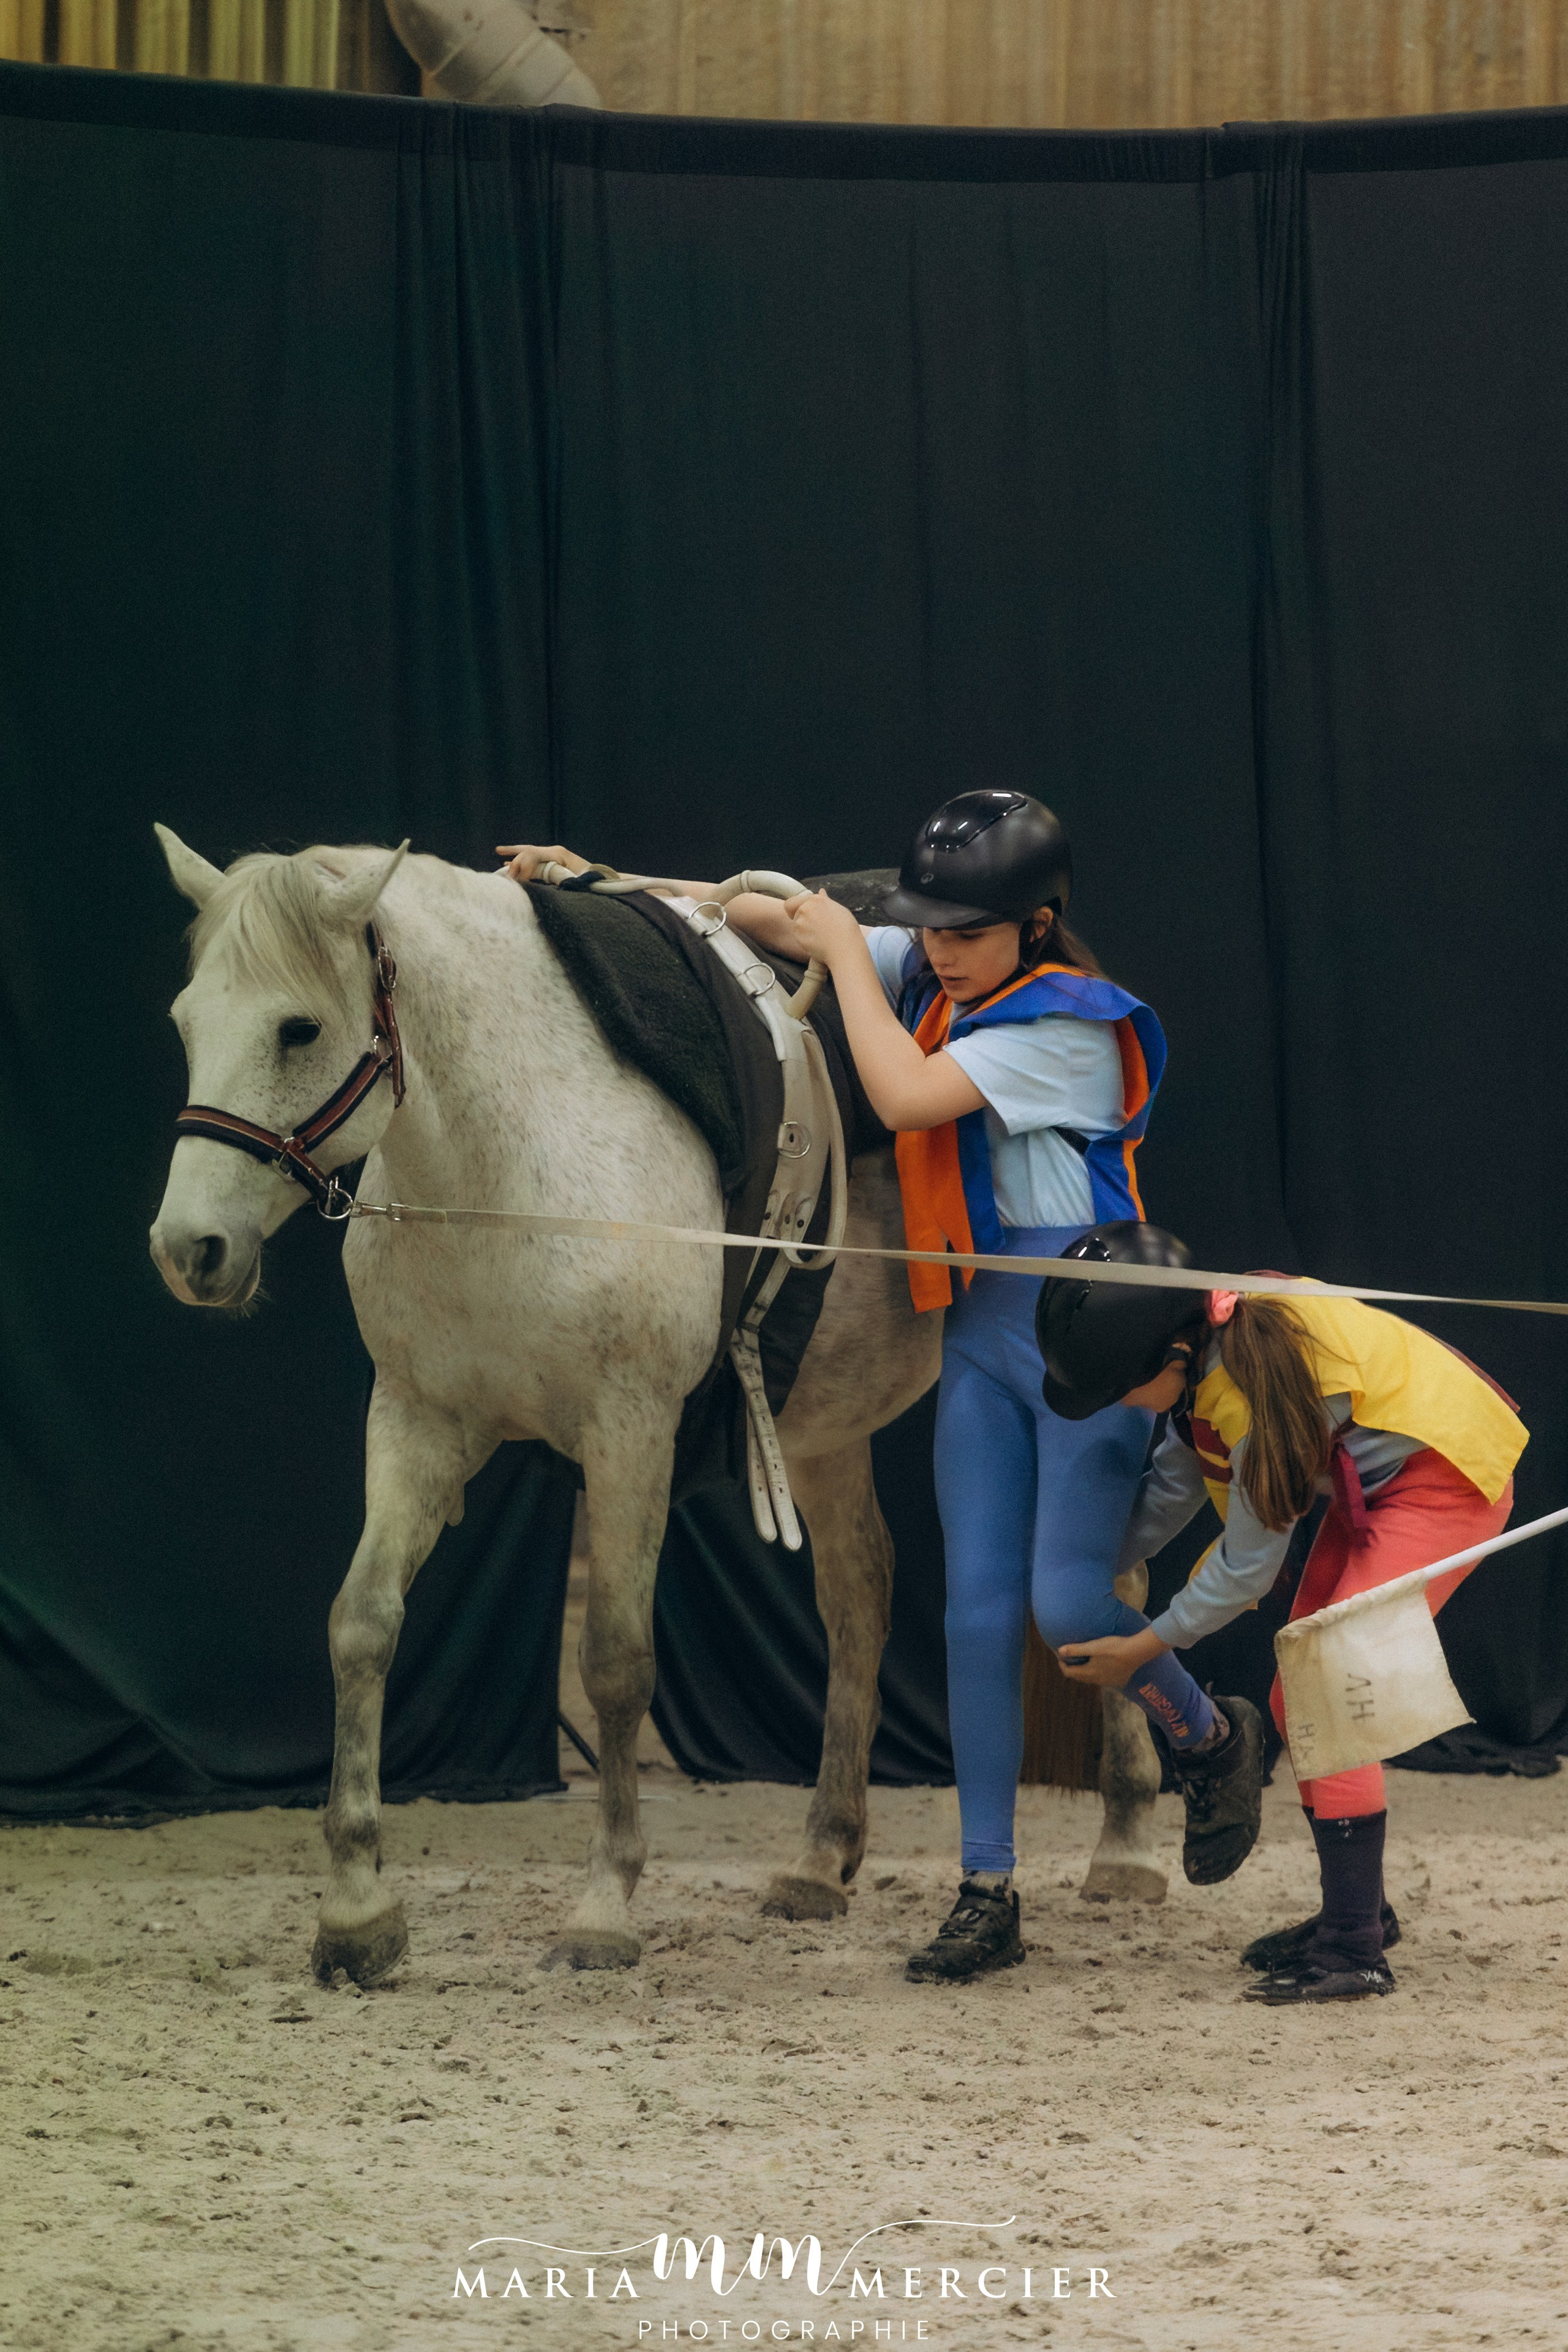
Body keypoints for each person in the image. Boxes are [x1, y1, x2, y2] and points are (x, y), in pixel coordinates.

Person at [774, 792, 1264, 1985]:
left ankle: (1207, 1739)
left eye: (963, 930)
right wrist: (610, 883)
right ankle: (984, 1889)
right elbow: (770, 910)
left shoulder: (1066, 1027)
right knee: (976, 1616)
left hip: (1087, 1344)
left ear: (1035, 927)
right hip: (980, 1331)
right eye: (924, 928)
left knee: (1065, 1607)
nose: (934, 947)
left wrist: (847, 948)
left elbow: (899, 1097)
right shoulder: (951, 973)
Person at [1038, 1222, 1528, 2003]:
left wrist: (1142, 1649)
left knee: (1329, 1695)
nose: (1118, 1406)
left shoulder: (1254, 1390)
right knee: (1291, 1694)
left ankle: (1354, 1949)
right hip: (1390, 1473)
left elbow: (1243, 1571)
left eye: (1118, 1389)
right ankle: (1357, 1909)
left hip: (1446, 1477)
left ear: (1168, 1360)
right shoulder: (1206, 1356)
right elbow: (1169, 1490)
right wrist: (1073, 1573)